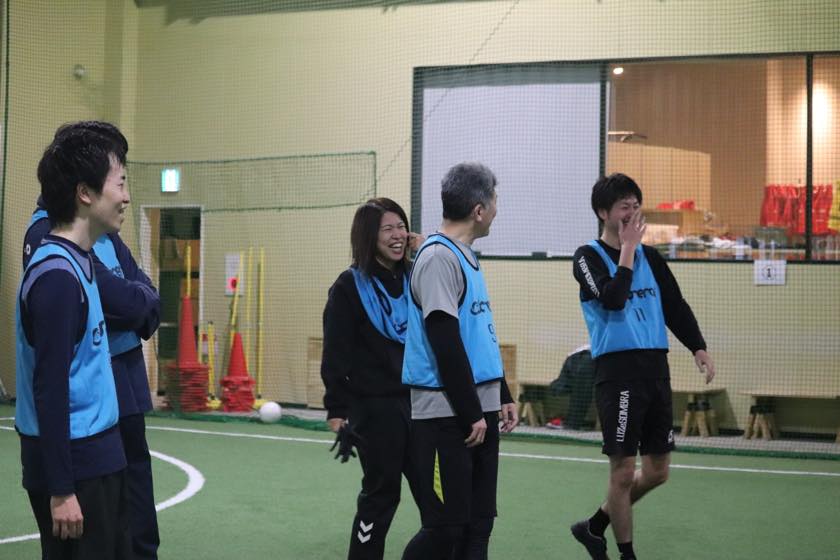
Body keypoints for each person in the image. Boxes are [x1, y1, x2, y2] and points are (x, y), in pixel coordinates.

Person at [23, 121, 162, 559]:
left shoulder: (82, 259)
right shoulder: (56, 275)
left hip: (101, 453)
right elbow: (50, 388)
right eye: (119, 183)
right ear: (85, 193)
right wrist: (62, 489)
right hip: (78, 463)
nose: (126, 196)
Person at [570, 173, 716, 560]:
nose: (633, 214)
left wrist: (698, 347)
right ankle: (627, 554)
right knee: (621, 472)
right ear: (603, 213)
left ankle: (594, 526)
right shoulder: (586, 257)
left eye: (636, 206)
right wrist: (628, 251)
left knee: (657, 471)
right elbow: (614, 298)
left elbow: (674, 306)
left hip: (655, 369)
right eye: (624, 207)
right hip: (618, 373)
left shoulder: (651, 257)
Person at [401, 162, 518, 560]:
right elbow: (444, 341)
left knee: (478, 526)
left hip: (478, 406)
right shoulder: (438, 258)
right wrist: (471, 411)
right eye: (495, 201)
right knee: (445, 529)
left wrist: (501, 393)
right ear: (479, 210)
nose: (497, 210)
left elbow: (477, 336)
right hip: (446, 415)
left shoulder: (464, 255)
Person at [320, 197, 423, 560]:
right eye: (387, 229)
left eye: (401, 226)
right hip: (375, 410)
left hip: (421, 404)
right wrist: (337, 408)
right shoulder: (349, 287)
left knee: (438, 500)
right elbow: (336, 350)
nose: (397, 235)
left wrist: (425, 250)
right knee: (381, 495)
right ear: (368, 236)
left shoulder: (416, 276)